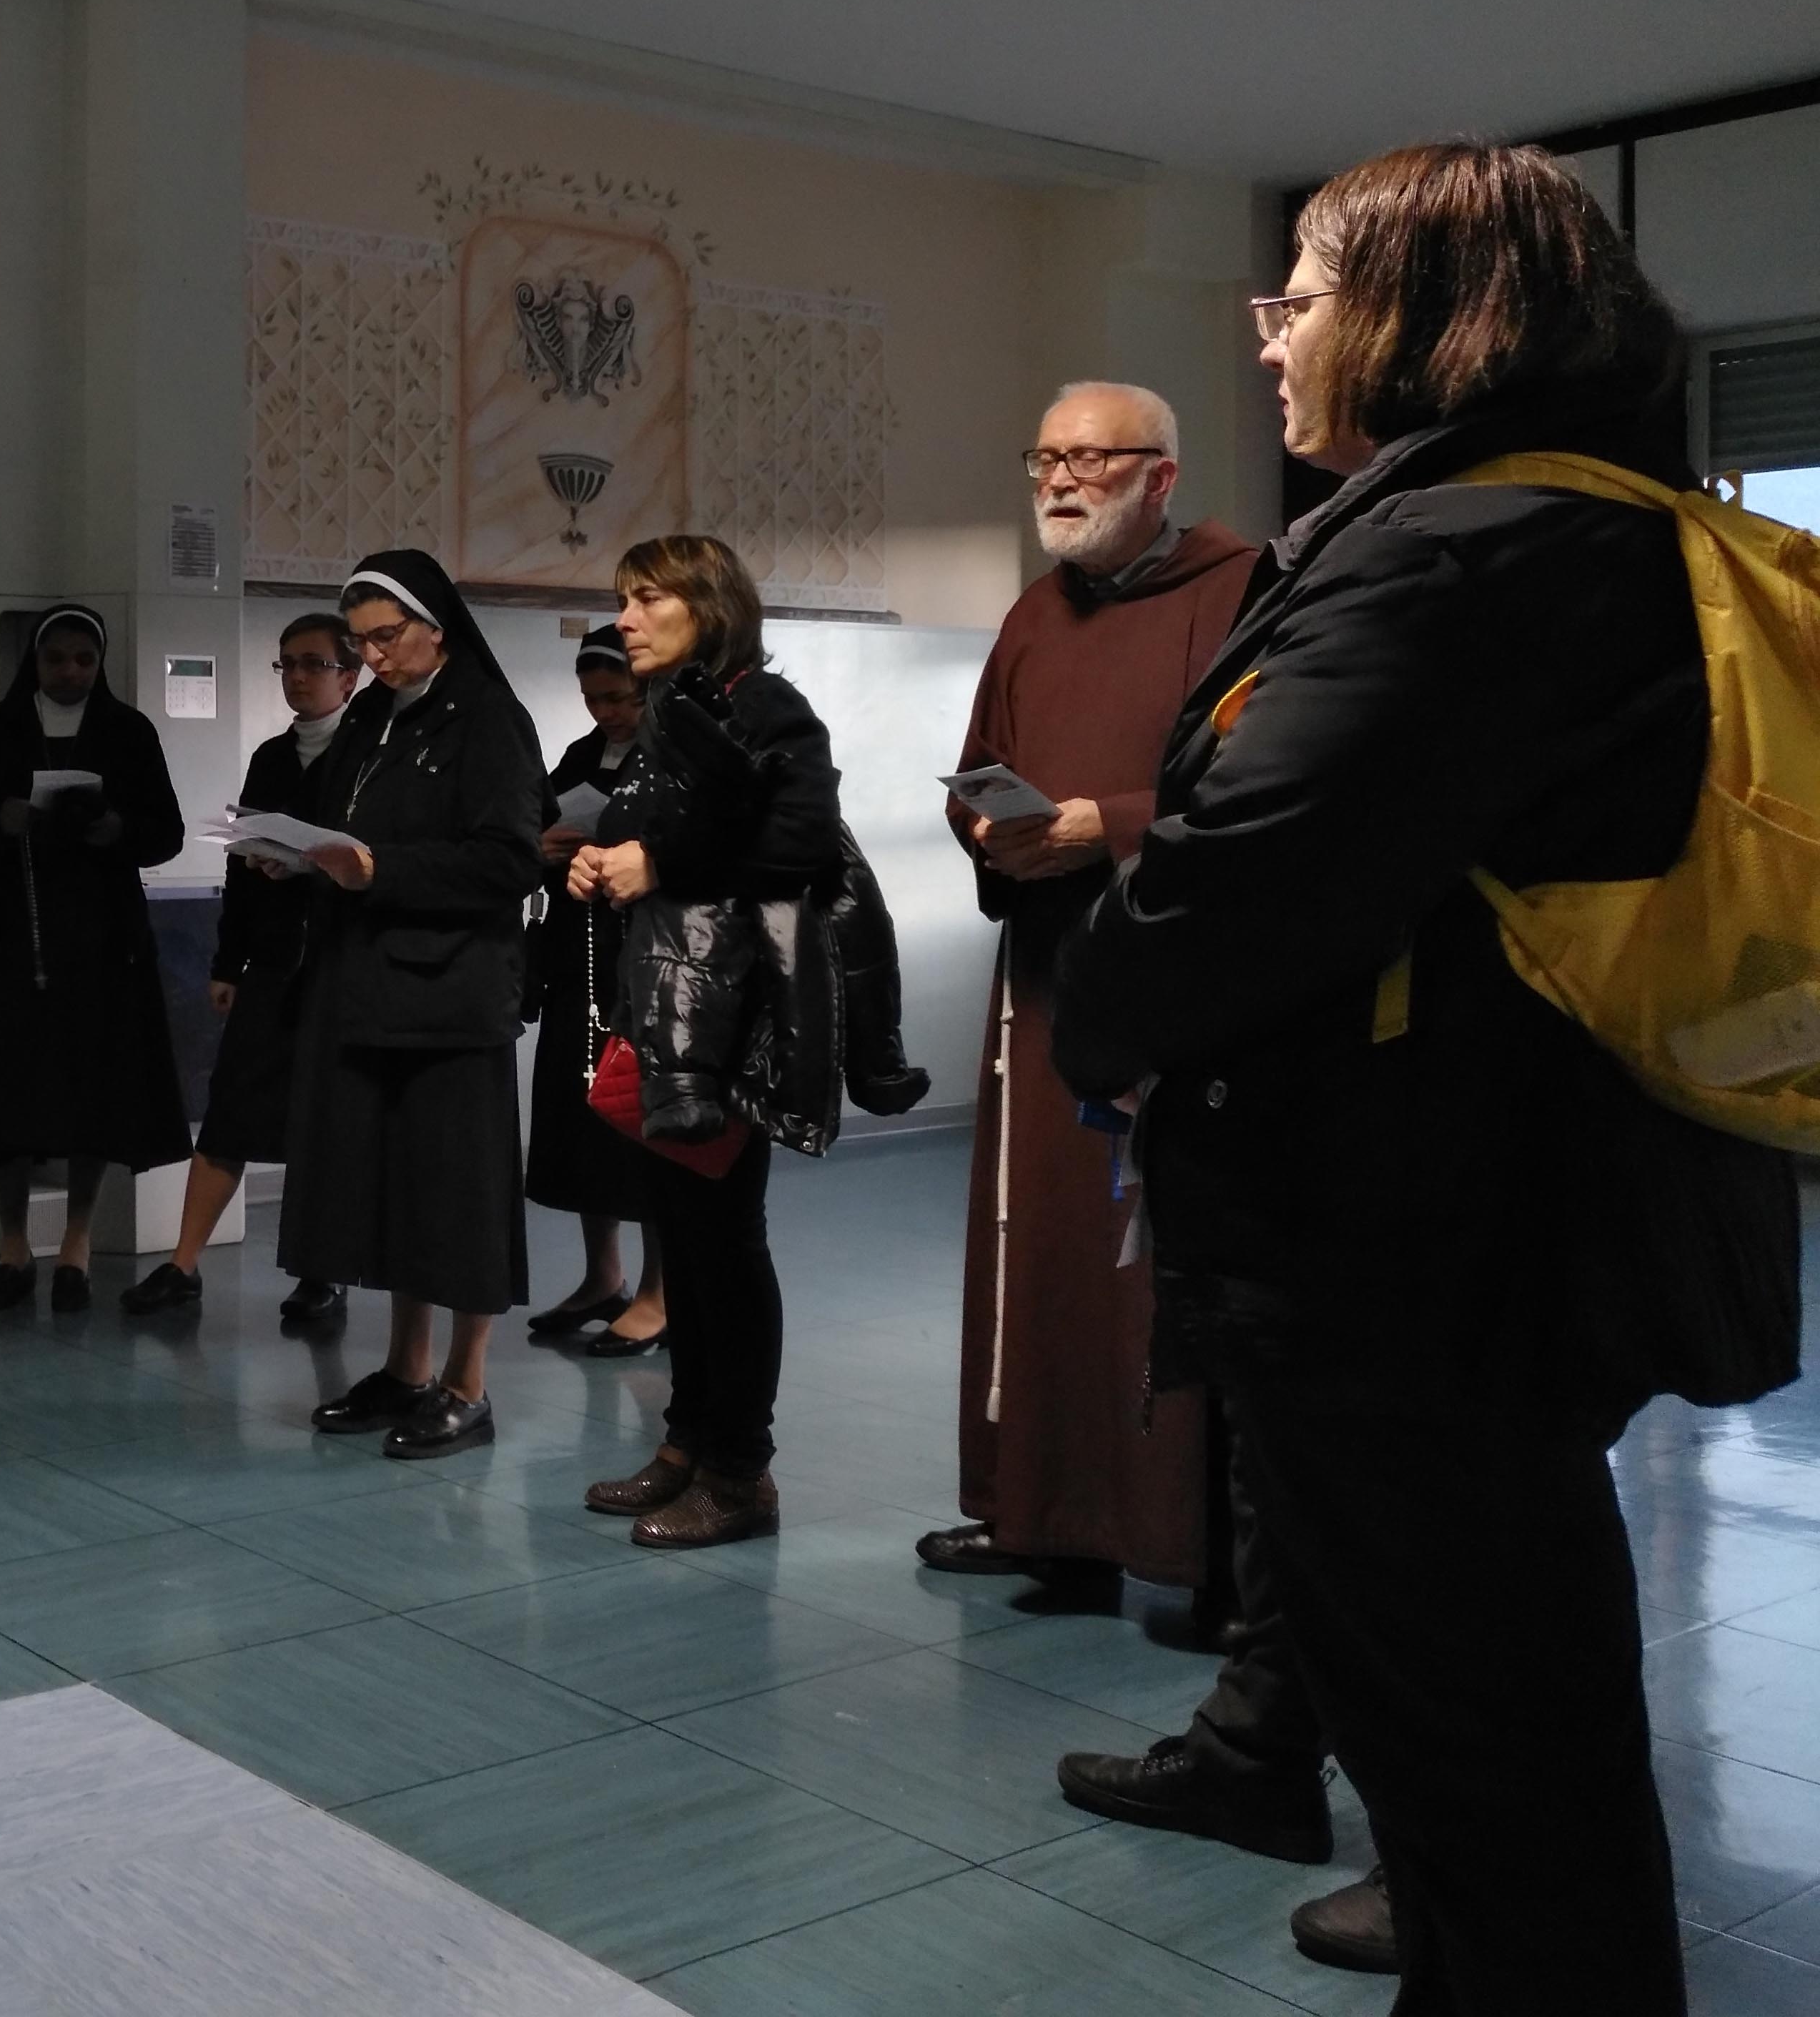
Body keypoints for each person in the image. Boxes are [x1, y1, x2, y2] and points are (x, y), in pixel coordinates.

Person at [1054, 142, 1803, 2010]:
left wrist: (1104, 1014)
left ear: (1422, 316)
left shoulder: (1464, 552)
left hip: (1415, 1246)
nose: (1270, 338)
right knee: (1500, 1723)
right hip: (1496, 1215)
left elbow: (1248, 879)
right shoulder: (1583, 522)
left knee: (1487, 1751)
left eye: (1298, 296)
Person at [924, 383, 1259, 1586]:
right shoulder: (1035, 612)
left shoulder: (1241, 594)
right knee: (1044, 1253)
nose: (1058, 481)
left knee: (1155, 1261)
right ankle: (1046, 1514)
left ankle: (1184, 1537)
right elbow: (977, 769)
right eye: (1044, 460)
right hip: (1048, 978)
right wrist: (989, 831)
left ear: (1160, 476)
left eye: (1089, 459)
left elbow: (1260, 788)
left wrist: (1103, 827)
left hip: (1176, 988)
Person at [568, 535, 840, 1547]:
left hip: (735, 1023)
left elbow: (802, 847)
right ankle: (687, 1443)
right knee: (683, 1240)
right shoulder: (670, 712)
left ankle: (740, 1473)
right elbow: (659, 840)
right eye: (624, 599)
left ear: (709, 606)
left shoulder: (768, 708)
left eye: (648, 599)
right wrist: (600, 862)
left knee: (727, 1245)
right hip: (673, 1012)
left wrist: (658, 861)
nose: (626, 618)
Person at [283, 548, 546, 1459]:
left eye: (386, 637)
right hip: (369, 988)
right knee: (395, 1189)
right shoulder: (371, 717)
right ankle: (405, 1368)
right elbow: (342, 829)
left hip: (451, 995)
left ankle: (467, 1386)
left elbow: (509, 859)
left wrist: (381, 870)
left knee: (459, 1195)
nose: (373, 657)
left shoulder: (489, 719)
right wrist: (296, 856)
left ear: (436, 625)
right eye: (360, 642)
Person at [0, 603, 191, 1312]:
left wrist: (116, 828)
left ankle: (77, 1245)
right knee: (9, 1096)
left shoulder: (128, 731)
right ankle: (13, 1245)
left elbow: (166, 832)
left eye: (85, 660)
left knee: (93, 1097)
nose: (71, 672)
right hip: (15, 938)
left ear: (100, 664)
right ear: (35, 661)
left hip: (104, 944)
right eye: (57, 659)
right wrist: (1, 819)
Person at [122, 613, 361, 1323]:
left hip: (340, 963)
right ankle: (183, 1264)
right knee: (230, 1112)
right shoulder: (272, 758)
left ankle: (324, 1272)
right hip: (274, 961)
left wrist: (310, 868)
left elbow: (371, 860)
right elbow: (243, 862)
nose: (298, 677)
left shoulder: (369, 756)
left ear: (350, 677)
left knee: (325, 1122)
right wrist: (229, 960)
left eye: (314, 664)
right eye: (288, 664)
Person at [523, 627, 664, 1352]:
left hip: (645, 968)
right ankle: (602, 1276)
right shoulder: (581, 756)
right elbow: (540, 828)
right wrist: (544, 848)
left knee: (643, 1125)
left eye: (618, 698)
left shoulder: (670, 756)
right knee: (584, 1119)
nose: (605, 713)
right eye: (592, 700)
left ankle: (659, 1292)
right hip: (577, 963)